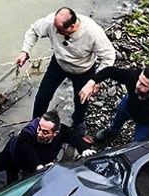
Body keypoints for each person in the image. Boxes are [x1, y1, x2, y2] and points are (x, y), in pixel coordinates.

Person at [16, 7, 116, 135]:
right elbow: (33, 31)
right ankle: (36, 122)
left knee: (81, 100)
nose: (56, 31)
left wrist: (95, 81)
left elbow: (109, 56)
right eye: (55, 27)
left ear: (73, 26)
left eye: (60, 30)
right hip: (58, 64)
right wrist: (25, 51)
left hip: (83, 70)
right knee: (42, 96)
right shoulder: (51, 23)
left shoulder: (93, 32)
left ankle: (78, 122)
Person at [0, 110, 95, 196]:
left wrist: (84, 149)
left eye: (45, 132)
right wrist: (39, 167)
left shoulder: (62, 132)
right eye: (39, 128)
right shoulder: (27, 133)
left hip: (40, 160)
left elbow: (73, 137)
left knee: (15, 187)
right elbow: (29, 151)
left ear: (55, 133)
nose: (39, 133)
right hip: (15, 154)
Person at [78, 65, 149, 143]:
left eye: (144, 85)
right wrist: (91, 83)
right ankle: (112, 132)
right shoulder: (133, 76)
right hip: (128, 106)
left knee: (138, 147)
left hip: (146, 122)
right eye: (140, 80)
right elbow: (109, 71)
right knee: (117, 120)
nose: (138, 85)